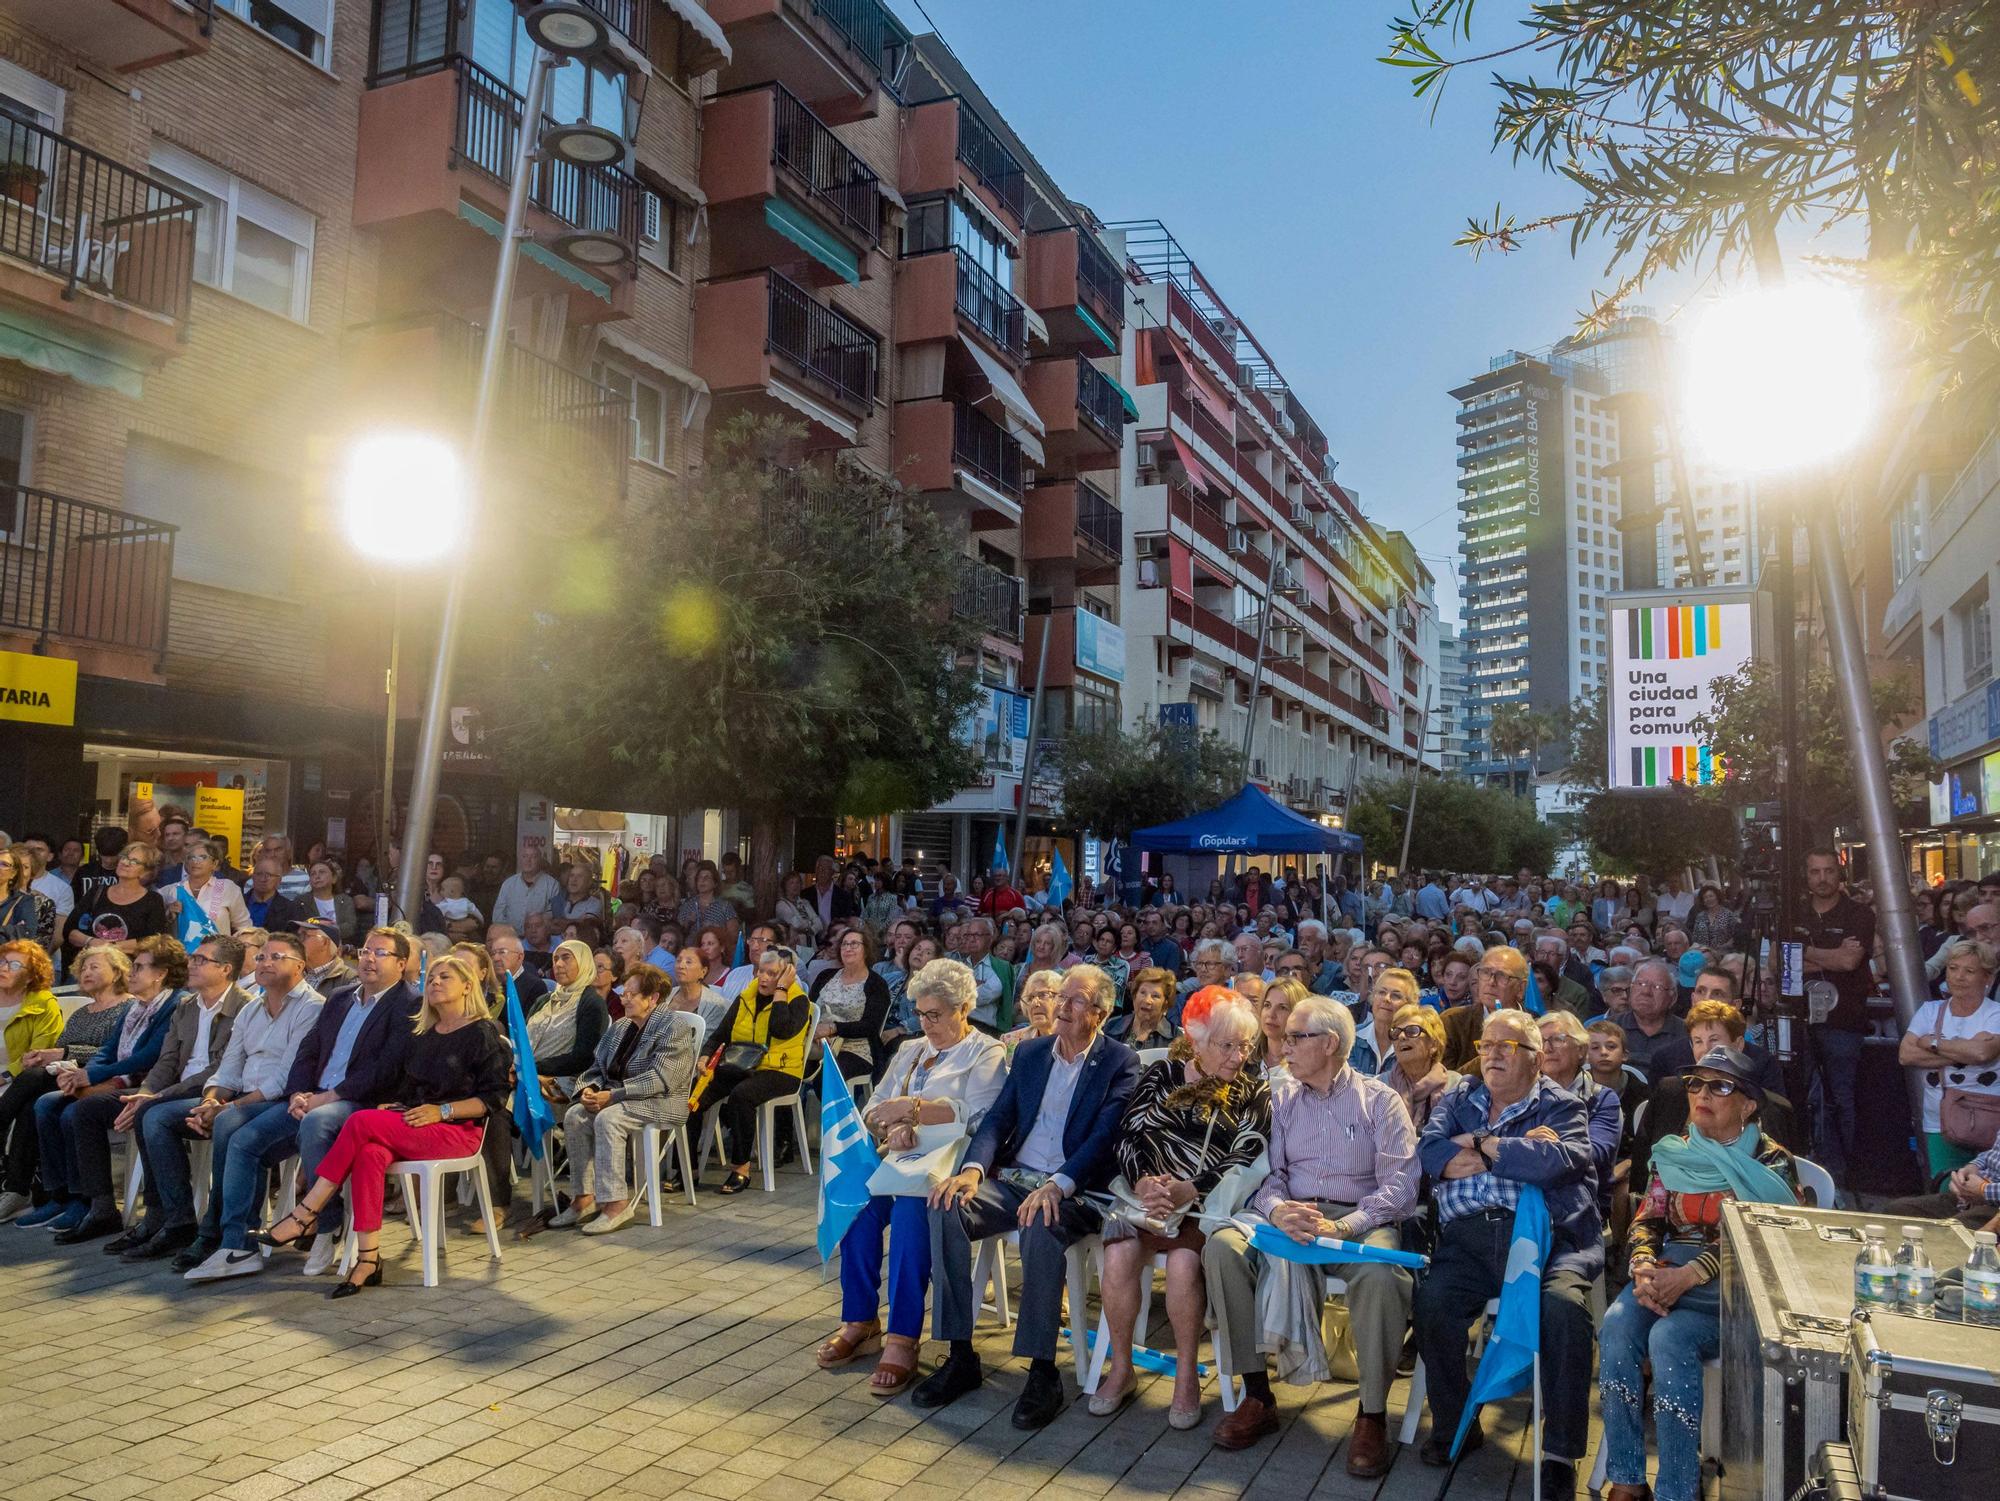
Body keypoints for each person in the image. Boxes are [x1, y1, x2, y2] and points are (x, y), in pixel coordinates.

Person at [915, 965, 1140, 1429]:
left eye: (1076, 1001)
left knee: (1041, 1220)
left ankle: (1042, 1370)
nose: (1062, 1006)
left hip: (1078, 1188)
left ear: (1100, 1013)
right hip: (1018, 1178)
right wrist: (973, 1170)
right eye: (1062, 998)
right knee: (945, 1204)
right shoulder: (1033, 1053)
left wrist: (1059, 1184)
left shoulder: (1120, 1061)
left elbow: (1103, 1139)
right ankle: (960, 1355)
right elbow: (998, 1118)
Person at [1204, 993, 1417, 1468]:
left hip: (1359, 1219)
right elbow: (1268, 1174)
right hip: (1292, 1216)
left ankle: (1372, 1414)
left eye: (1298, 1037)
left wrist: (1344, 1224)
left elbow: (1400, 1189)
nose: (1284, 1046)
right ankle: (1258, 1394)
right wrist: (1279, 1211)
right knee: (1223, 1247)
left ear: (1331, 1044)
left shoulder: (1379, 1101)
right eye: (1285, 1037)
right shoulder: (1280, 1099)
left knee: (1383, 1275)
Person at [1414, 1009, 1602, 1496]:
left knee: (1563, 1310)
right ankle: (1458, 1424)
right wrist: (1507, 1147)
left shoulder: (1562, 1105)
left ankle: (1560, 1452)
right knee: (1433, 1302)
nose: (1492, 1054)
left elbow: (1556, 1163)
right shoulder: (1460, 1096)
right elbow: (1431, 1154)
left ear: (1537, 1059)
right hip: (1469, 1238)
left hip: (1547, 1240)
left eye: (1506, 1046)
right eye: (1485, 1045)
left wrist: (1476, 1145)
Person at [1599, 1047, 1798, 1501]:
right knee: (1615, 1326)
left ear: (1747, 1104)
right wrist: (1643, 1266)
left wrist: (1689, 1275)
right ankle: (1627, 1478)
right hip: (1666, 1273)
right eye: (1695, 1084)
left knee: (1669, 1338)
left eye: (1720, 1085)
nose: (1702, 1093)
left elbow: (1762, 1235)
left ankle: (1676, 1489)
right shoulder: (1674, 1152)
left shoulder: (1771, 1162)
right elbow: (1648, 1217)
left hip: (1738, 1287)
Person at [254, 953, 507, 1298]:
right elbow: (412, 1086)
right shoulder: (423, 1032)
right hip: (414, 1121)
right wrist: (402, 1103)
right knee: (370, 1154)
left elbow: (493, 1099)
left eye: (445, 977)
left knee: (359, 1120)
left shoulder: (483, 1032)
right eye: (431, 976)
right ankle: (369, 1259)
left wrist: (442, 1110)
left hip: (457, 1129)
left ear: (467, 986)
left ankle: (305, 1212)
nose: (434, 982)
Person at [819, 959, 1009, 1396]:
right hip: (901, 1160)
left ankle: (904, 1337)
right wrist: (890, 1126)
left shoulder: (986, 1051)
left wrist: (916, 1111)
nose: (927, 1023)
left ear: (964, 1008)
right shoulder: (910, 1049)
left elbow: (984, 1119)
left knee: (909, 1212)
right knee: (857, 1206)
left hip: (951, 1168)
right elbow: (875, 1106)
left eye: (936, 1014)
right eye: (921, 1014)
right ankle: (861, 1320)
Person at [1094, 991, 1270, 1428]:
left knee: (1182, 1267)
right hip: (1142, 1198)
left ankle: (1187, 1374)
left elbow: (1248, 1153)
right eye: (1227, 1045)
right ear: (1197, 1041)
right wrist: (1142, 1181)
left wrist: (1190, 1188)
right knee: (1117, 1257)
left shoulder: (1253, 1091)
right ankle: (1121, 1367)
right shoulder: (1162, 1073)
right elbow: (1127, 1135)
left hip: (1203, 1205)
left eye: (1245, 1045)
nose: (1238, 1055)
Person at [101, 935, 251, 1259]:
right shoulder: (186, 1006)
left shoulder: (244, 1006)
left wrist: (156, 1097)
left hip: (219, 1092)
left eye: (201, 960)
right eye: (192, 958)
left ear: (225, 969)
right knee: (97, 1109)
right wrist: (144, 1091)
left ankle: (177, 1220)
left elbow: (221, 1067)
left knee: (154, 1114)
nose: (191, 964)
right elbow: (167, 1060)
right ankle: (155, 1216)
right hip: (175, 1091)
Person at [27, 934, 186, 1235]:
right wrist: (85, 1074)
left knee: (79, 1111)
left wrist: (95, 1076)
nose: (132, 973)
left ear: (160, 974)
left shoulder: (175, 1005)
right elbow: (108, 1049)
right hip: (116, 1080)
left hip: (145, 1084)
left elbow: (148, 1056)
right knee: (47, 1102)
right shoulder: (134, 1007)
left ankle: (96, 1204)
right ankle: (63, 1195)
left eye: (139, 967)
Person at [548, 963, 697, 1236]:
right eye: (624, 993)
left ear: (652, 998)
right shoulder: (621, 1026)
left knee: (609, 1118)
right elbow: (596, 1067)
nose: (624, 998)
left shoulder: (673, 1026)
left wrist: (613, 1096)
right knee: (576, 1115)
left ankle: (617, 1203)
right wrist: (589, 1090)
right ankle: (584, 1197)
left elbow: (661, 1079)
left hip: (662, 1100)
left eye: (631, 994)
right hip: (619, 1097)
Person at [0, 945, 131, 1222]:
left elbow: (119, 1053)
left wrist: (63, 1054)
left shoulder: (128, 1007)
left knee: (35, 1082)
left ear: (118, 971)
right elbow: (61, 1050)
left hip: (105, 1080)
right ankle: (45, 1194)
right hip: (66, 1076)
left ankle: (48, 1193)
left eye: (94, 966)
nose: (86, 972)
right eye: (83, 968)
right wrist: (49, 1056)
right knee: (31, 1103)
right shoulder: (83, 1012)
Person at [689, 945, 811, 1195]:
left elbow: (780, 1028)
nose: (764, 978)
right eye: (761, 972)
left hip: (781, 1070)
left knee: (742, 1096)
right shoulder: (746, 997)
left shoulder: (799, 1001)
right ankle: (688, 1169)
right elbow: (720, 1034)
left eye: (772, 973)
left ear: (786, 975)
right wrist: (704, 1057)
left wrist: (781, 992)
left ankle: (741, 1167)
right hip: (741, 1064)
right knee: (693, 1094)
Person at [1796, 849, 1876, 1178]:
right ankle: (1803, 1169)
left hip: (1843, 1022)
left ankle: (1839, 1176)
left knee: (1839, 1098)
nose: (1822, 878)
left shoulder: (1859, 914)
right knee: (1800, 1095)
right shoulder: (1793, 912)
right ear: (1806, 875)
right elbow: (1778, 962)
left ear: (1839, 873)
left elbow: (1849, 962)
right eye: (1815, 871)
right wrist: (1831, 955)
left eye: (1828, 871)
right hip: (1799, 1019)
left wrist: (1805, 953)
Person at [1897, 939, 2000, 1177]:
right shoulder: (1930, 1010)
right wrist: (1965, 1050)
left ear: (1987, 978)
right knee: (1946, 1191)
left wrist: (1932, 1043)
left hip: (1992, 1117)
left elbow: (1983, 1053)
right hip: (1939, 1119)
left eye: (1969, 971)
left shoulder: (1995, 1013)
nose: (1959, 977)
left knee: (1987, 1194)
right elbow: (1906, 1054)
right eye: (1953, 968)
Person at [1539, 1010, 1623, 1210]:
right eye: (1541, 1042)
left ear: (1580, 1050)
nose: (1548, 1048)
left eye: (1557, 1040)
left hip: (1583, 1202)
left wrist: (1535, 1148)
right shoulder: (1524, 1094)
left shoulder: (1602, 1099)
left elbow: (1594, 1155)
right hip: (1529, 1199)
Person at [809, 927, 893, 1084]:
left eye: (854, 944)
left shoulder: (876, 984)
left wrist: (833, 1028)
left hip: (856, 1048)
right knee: (787, 1068)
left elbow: (871, 1026)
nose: (848, 948)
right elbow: (809, 1010)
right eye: (844, 944)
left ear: (866, 950)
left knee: (828, 1077)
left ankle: (835, 1109)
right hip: (817, 1042)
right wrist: (815, 1031)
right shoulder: (825, 976)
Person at [65, 841, 167, 956]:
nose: (125, 863)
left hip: (129, 969)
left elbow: (154, 940)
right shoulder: (96, 891)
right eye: (124, 857)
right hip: (92, 963)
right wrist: (91, 941)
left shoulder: (153, 900)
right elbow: (69, 930)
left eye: (134, 861)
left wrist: (111, 947)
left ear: (146, 872)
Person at [1440, 945, 1529, 1072]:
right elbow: (1446, 1081)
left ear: (1521, 988)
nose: (1491, 982)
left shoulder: (1537, 1026)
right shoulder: (1451, 1021)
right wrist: (1493, 1051)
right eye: (1486, 972)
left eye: (1502, 976)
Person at [1382, 1002, 1458, 1132]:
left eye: (1412, 1031)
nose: (1401, 1036)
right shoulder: (1380, 1086)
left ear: (1433, 1044)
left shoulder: (1456, 1086)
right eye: (1395, 1032)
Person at [1622, 958, 1697, 1082]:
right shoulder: (1609, 1028)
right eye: (1640, 984)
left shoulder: (1688, 1034)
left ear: (1672, 998)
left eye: (1657, 987)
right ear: (1631, 989)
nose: (1646, 992)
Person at [0, 939, 63, 1085]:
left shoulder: (44, 1003)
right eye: (2, 962)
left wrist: (5, 1076)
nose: (4, 968)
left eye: (15, 965)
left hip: (17, 1079)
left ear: (30, 977)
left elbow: (38, 1055)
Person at [162, 838, 251, 940]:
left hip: (218, 954)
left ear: (215, 863)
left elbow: (244, 927)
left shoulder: (228, 888)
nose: (195, 861)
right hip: (181, 954)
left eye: (203, 857)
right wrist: (168, 914)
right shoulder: (170, 891)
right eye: (191, 857)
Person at [1106, 967, 1178, 1048]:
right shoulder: (1112, 1026)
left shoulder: (1176, 1037)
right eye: (1143, 993)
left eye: (1155, 996)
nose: (1147, 1000)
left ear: (1165, 1003)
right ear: (1134, 996)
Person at [295, 917, 358, 1000]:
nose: (297, 941)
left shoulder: (349, 980)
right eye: (297, 935)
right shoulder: (290, 972)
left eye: (304, 936)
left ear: (324, 942)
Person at [301, 858, 358, 947]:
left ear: (334, 878)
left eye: (322, 872)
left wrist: (321, 929)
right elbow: (301, 928)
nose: (317, 876)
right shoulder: (302, 901)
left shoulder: (345, 900)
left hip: (341, 948)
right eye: (313, 874)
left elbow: (350, 928)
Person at [243, 857, 302, 934]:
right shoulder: (238, 902)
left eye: (269, 875)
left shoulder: (290, 909)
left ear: (279, 880)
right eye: (259, 874)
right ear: (253, 877)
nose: (263, 879)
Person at [1688, 884, 1739, 952]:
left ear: (1717, 897)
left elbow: (1735, 936)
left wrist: (1722, 948)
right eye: (1705, 897)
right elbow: (1695, 938)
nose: (1709, 899)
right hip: (1703, 954)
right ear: (1703, 901)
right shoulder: (1700, 916)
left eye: (1711, 896)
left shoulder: (1728, 914)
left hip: (1724, 953)